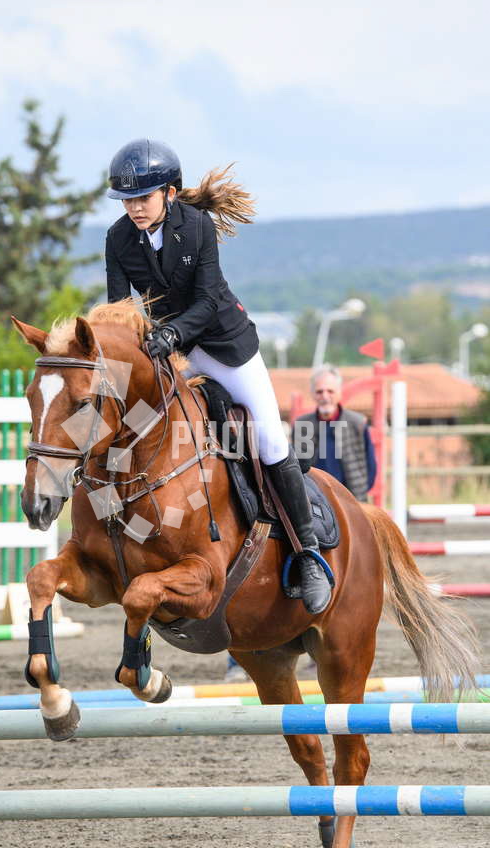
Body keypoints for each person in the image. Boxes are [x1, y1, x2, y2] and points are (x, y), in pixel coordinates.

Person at [105, 138, 333, 616]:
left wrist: (170, 333)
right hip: (173, 356)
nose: (134, 208)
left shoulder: (196, 226)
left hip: (226, 348)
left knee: (270, 440)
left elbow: (208, 302)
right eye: (127, 200)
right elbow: (120, 308)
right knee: (133, 429)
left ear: (169, 193)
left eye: (143, 198)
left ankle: (308, 553)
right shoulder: (118, 238)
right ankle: (122, 536)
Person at [294, 364, 377, 501]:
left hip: (351, 501)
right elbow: (296, 469)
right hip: (314, 502)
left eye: (330, 391)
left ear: (339, 392)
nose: (325, 396)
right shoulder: (302, 426)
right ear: (313, 394)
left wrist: (357, 496)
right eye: (319, 392)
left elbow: (371, 467)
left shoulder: (357, 423)